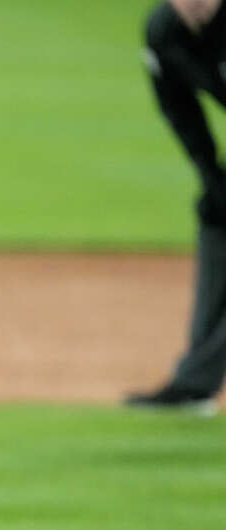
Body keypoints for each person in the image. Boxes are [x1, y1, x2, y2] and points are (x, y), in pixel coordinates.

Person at [128, 0, 226, 416]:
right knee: (215, 210)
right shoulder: (165, 32)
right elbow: (180, 109)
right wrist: (212, 176)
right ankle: (195, 387)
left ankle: (196, 377)